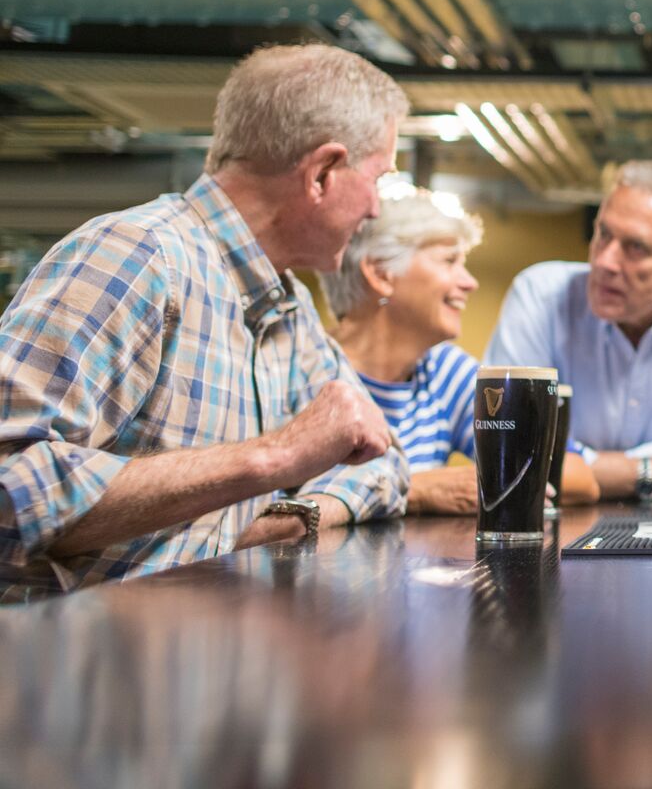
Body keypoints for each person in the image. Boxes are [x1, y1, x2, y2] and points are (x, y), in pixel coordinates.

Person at [0, 44, 411, 600]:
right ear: (323, 174)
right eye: (378, 179)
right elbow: (8, 489)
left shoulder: (286, 304)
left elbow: (383, 463)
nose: (377, 210)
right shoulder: (136, 257)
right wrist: (275, 457)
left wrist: (290, 517)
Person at [485, 160, 652, 499]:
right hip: (558, 537)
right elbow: (508, 452)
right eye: (603, 234)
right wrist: (650, 472)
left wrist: (580, 467)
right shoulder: (539, 295)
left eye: (636, 247)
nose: (604, 261)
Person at [321, 192, 599, 514]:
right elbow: (275, 506)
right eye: (449, 261)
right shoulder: (309, 366)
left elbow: (577, 477)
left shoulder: (442, 370)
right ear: (381, 273)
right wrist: (414, 490)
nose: (470, 283)